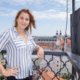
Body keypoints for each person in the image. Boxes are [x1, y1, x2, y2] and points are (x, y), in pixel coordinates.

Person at [0, 8, 44, 80]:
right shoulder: (9, 33)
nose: (24, 21)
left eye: (27, 19)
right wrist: (3, 71)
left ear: (29, 21)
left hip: (29, 75)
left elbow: (34, 46)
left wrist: (40, 48)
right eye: (21, 18)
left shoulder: (28, 34)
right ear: (17, 19)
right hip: (15, 77)